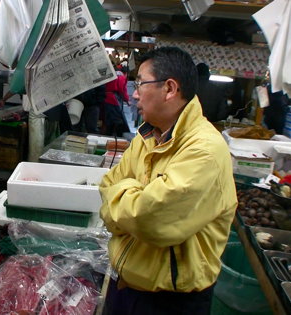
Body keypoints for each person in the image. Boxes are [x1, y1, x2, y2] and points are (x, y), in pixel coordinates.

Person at [99, 47, 237, 315]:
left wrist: (126, 203)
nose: (135, 92)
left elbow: (148, 219)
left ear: (170, 88)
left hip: (170, 301)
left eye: (140, 83)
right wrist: (135, 197)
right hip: (125, 285)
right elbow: (107, 185)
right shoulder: (147, 136)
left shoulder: (204, 150)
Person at [104, 65, 130, 136]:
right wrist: (127, 100)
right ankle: (119, 136)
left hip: (106, 98)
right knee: (118, 119)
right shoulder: (121, 77)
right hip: (113, 99)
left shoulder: (112, 75)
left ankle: (108, 135)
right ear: (126, 73)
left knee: (109, 119)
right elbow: (122, 90)